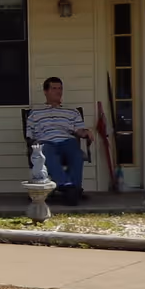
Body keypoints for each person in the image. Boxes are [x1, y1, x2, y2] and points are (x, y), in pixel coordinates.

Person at [27, 76, 93, 206]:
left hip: (67, 140)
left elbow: (79, 131)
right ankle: (69, 187)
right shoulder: (35, 113)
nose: (58, 91)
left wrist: (86, 132)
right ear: (45, 91)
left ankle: (71, 188)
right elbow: (30, 134)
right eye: (54, 88)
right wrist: (34, 144)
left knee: (77, 154)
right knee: (46, 153)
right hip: (46, 141)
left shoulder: (72, 112)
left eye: (60, 88)